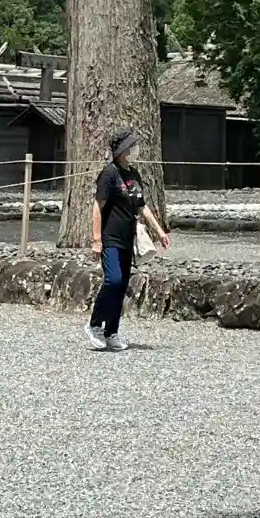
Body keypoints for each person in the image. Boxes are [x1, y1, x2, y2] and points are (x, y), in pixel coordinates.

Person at [86, 124, 170, 352]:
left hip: (128, 238)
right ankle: (94, 324)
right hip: (110, 236)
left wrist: (159, 232)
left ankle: (111, 331)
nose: (134, 151)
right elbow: (97, 206)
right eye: (131, 147)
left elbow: (142, 206)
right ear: (122, 150)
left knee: (122, 286)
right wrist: (96, 239)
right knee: (112, 281)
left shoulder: (134, 175)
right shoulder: (109, 173)